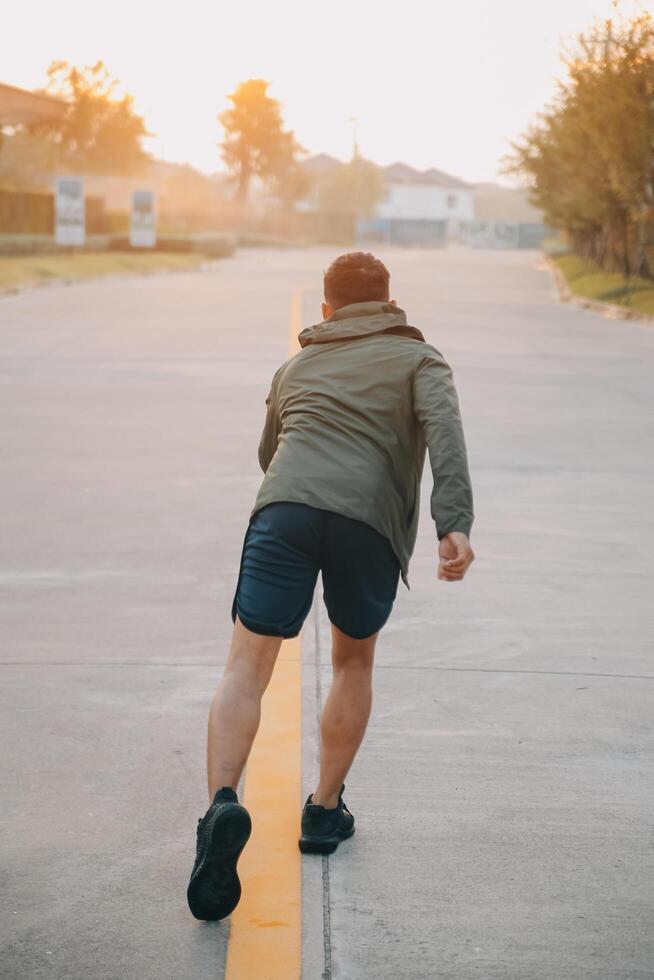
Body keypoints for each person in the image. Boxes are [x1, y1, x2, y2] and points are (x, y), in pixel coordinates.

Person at [186, 251, 475, 921]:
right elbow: (445, 434)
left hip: (284, 511)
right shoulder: (421, 360)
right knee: (351, 659)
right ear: (388, 303)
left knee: (245, 669)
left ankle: (222, 805)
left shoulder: (296, 366)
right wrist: (452, 524)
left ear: (326, 310)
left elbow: (270, 453)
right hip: (365, 520)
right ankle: (322, 812)